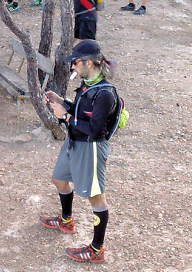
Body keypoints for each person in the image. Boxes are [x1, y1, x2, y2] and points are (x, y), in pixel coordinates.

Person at [40, 40, 118, 263]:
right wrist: (62, 101)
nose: (72, 66)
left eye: (75, 62)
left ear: (88, 63)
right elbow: (82, 111)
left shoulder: (105, 94)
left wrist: (64, 116)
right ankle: (66, 221)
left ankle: (97, 249)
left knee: (96, 197)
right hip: (74, 141)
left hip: (90, 148)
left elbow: (94, 131)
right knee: (58, 179)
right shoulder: (88, 84)